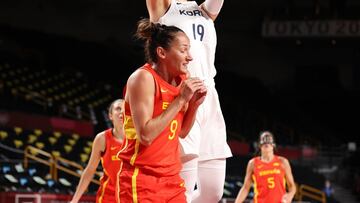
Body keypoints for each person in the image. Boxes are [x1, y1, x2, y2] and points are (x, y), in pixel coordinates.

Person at [146, 0, 232, 202]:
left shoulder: (203, 11)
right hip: (181, 94)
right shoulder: (164, 8)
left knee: (213, 193)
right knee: (181, 189)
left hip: (208, 95)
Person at [116, 18, 207, 203]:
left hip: (172, 179)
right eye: (183, 50)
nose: (189, 57)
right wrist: (181, 99)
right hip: (141, 179)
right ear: (161, 52)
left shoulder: (182, 80)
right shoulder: (143, 78)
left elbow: (180, 132)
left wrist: (194, 105)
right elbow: (146, 135)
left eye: (188, 50)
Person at [70, 99, 125, 203]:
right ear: (110, 116)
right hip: (108, 197)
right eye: (118, 109)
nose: (122, 112)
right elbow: (90, 170)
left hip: (132, 196)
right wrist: (75, 200)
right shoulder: (102, 139)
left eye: (125, 109)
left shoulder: (139, 138)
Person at [235, 131, 296, 203]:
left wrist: (290, 195)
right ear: (259, 145)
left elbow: (292, 186)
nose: (266, 142)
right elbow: (245, 188)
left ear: (273, 144)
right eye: (264, 139)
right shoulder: (253, 163)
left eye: (269, 139)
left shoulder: (283, 162)